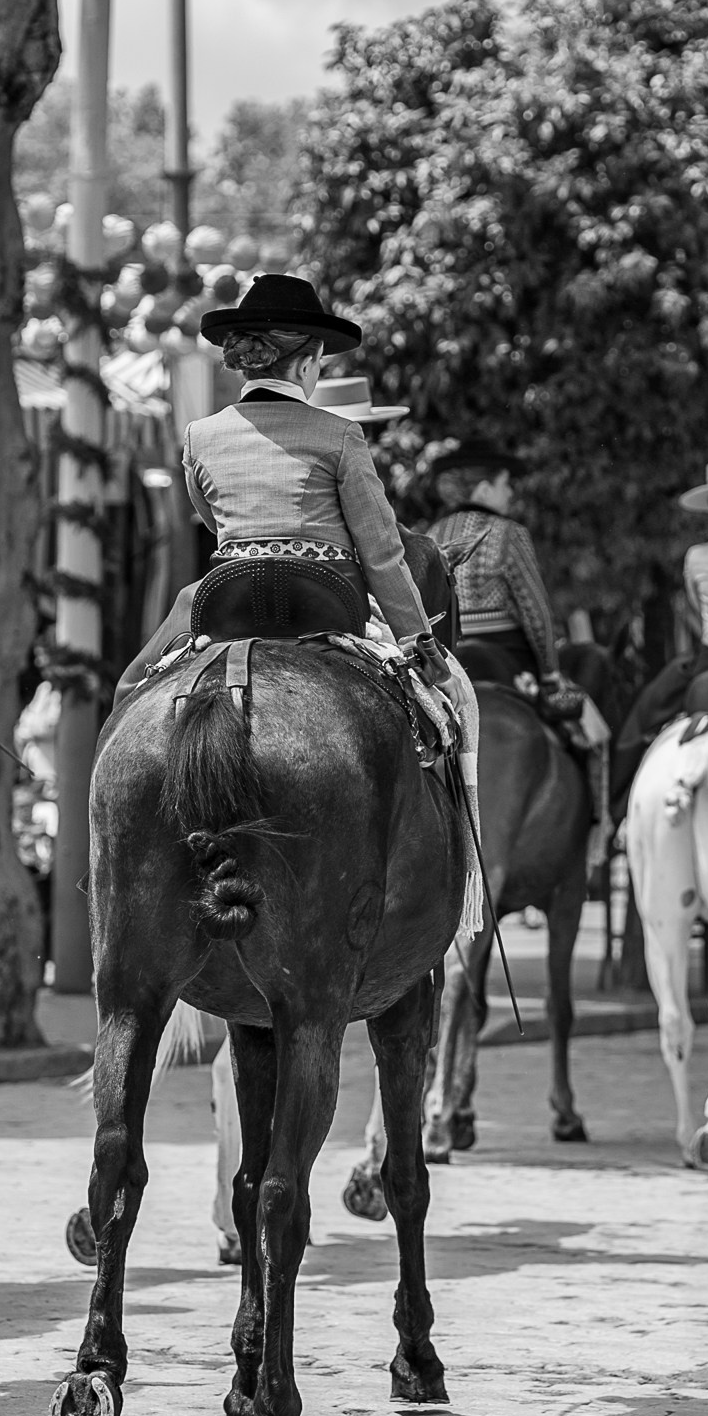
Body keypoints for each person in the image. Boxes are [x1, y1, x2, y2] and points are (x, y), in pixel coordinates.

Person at [117, 275, 485, 928]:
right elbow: (382, 554)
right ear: (310, 360)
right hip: (326, 606)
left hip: (225, 603)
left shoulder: (201, 435)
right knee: (451, 708)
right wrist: (420, 646)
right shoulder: (340, 436)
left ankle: (112, 861)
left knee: (127, 695)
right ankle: (455, 886)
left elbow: (211, 517)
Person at [424, 440, 560, 687]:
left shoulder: (432, 534)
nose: (510, 492)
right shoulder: (509, 532)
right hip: (507, 655)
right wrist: (551, 672)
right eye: (505, 484)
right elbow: (535, 610)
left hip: (450, 657)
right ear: (484, 490)